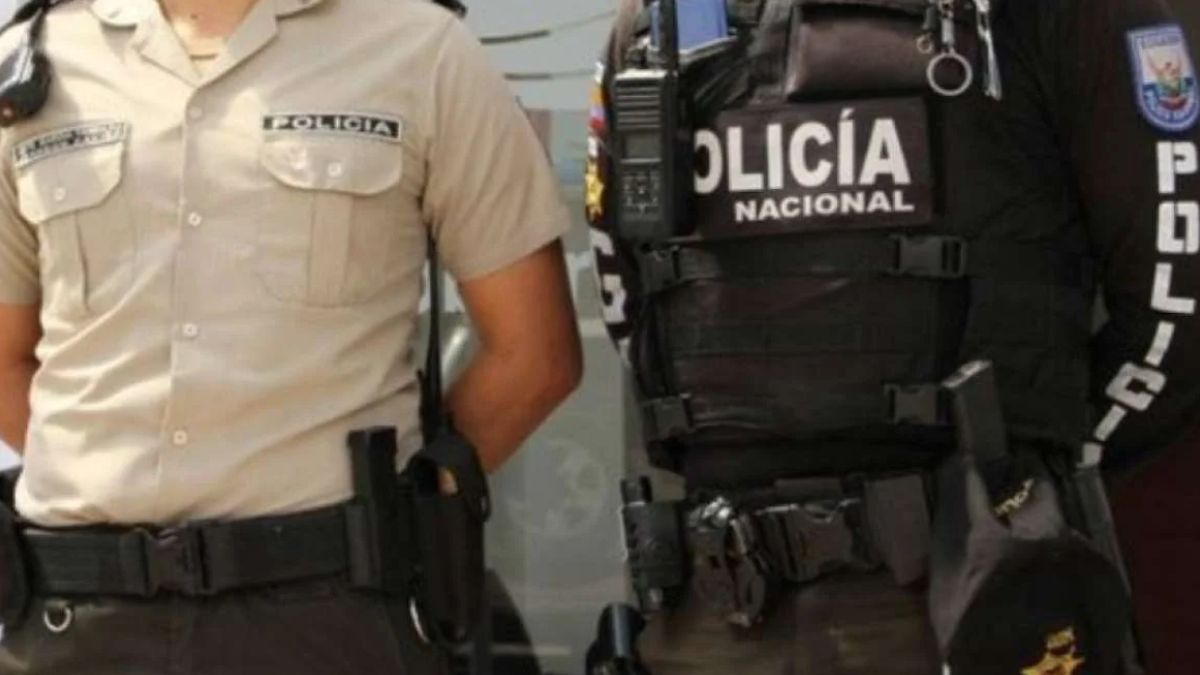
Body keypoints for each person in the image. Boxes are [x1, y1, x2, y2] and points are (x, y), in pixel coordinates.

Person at [586, 0, 1200, 673]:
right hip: (718, 611)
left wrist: (1030, 488)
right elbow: (635, 313)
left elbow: (1174, 305)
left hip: (968, 604)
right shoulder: (657, 25)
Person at [0, 0, 583, 672]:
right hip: (78, 618)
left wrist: (414, 500)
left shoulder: (421, 49)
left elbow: (535, 356)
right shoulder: (39, 59)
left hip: (327, 616)